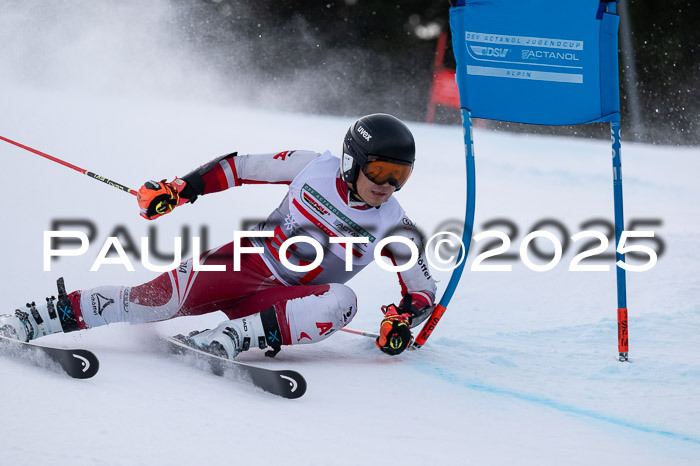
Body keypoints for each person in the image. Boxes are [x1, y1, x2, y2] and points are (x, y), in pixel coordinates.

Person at [0, 113, 436, 358]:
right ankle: (39, 318)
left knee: (343, 301)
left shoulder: (395, 226)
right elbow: (240, 167)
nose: (388, 185)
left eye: (401, 176)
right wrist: (180, 190)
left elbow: (422, 292)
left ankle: (226, 340)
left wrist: (401, 321)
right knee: (150, 302)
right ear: (353, 160)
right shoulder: (312, 166)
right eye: (380, 170)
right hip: (241, 264)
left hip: (282, 303)